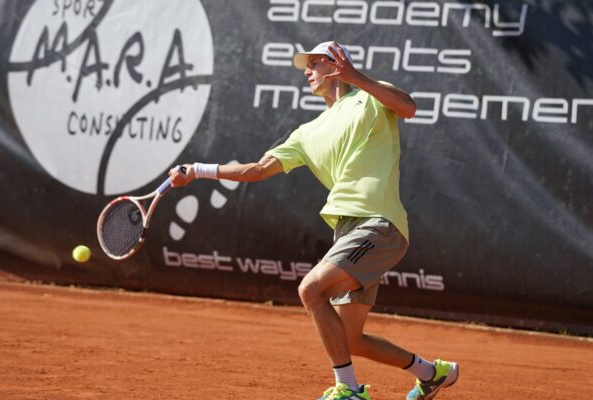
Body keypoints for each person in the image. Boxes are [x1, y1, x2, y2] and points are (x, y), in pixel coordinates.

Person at [169, 41, 458, 400]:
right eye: (306, 65)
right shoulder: (306, 133)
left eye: (314, 63)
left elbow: (409, 107)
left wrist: (358, 79)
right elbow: (257, 170)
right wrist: (197, 171)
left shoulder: (370, 97)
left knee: (309, 289)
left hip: (378, 223)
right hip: (347, 231)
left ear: (337, 64)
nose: (307, 71)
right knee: (349, 339)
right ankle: (430, 373)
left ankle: (349, 390)